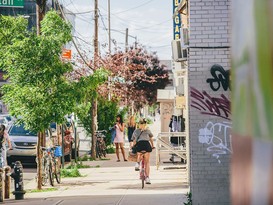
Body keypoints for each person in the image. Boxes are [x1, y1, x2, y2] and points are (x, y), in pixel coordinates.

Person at [131, 118, 154, 184]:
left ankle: (137, 163)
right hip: (147, 145)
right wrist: (152, 146)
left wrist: (133, 146)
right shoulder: (148, 130)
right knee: (147, 162)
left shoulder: (136, 131)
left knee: (139, 153)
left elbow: (134, 140)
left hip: (139, 145)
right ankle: (147, 178)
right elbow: (151, 139)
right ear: (145, 124)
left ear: (139, 124)